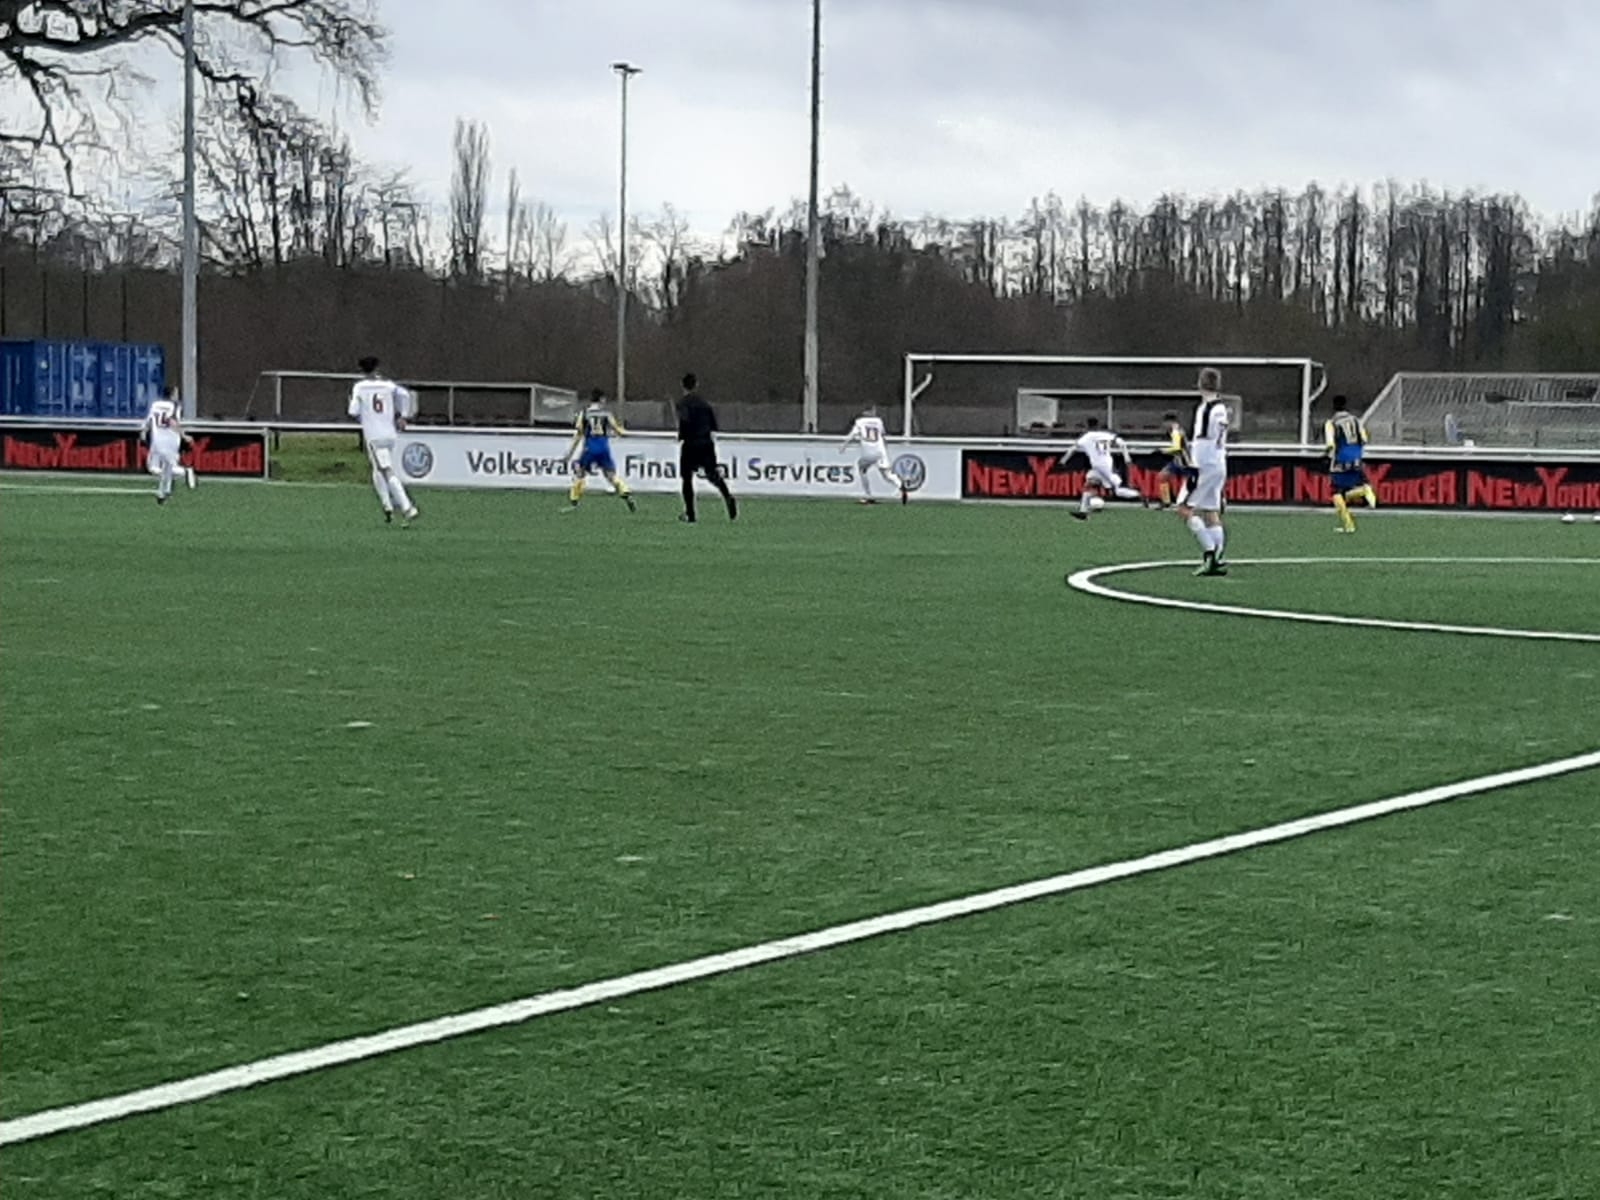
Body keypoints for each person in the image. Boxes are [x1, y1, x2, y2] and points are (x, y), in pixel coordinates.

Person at [348, 356, 420, 525]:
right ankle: (387, 506)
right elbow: (405, 395)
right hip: (389, 433)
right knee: (377, 469)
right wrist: (403, 416)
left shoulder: (360, 387)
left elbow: (353, 411)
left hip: (374, 436)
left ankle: (407, 507)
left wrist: (357, 407)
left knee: (386, 471)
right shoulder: (388, 385)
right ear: (377, 368)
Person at [1185, 367, 1230, 575]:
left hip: (1205, 464)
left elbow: (1204, 440)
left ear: (1200, 384)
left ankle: (1211, 554)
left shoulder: (1207, 409)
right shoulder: (1221, 407)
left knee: (1184, 508)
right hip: (1218, 462)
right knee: (1211, 511)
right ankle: (1218, 557)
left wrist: (1193, 466)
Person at [562, 387, 636, 513]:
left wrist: (569, 454)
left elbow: (579, 434)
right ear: (601, 399)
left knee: (580, 473)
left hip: (590, 448)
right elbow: (619, 431)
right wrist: (626, 433)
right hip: (603, 448)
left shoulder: (584, 414)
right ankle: (625, 492)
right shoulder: (606, 414)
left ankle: (574, 503)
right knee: (611, 476)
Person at [675, 373, 737, 523]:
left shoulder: (682, 403)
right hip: (706, 443)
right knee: (712, 474)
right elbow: (713, 425)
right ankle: (727, 496)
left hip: (690, 444)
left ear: (683, 386)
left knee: (687, 479)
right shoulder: (705, 404)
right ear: (696, 385)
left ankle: (691, 513)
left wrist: (681, 436)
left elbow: (684, 422)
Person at [1060, 416, 1148, 520]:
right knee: (1089, 484)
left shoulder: (1087, 437)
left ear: (1087, 426)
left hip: (1101, 466)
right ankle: (1083, 512)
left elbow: (1072, 449)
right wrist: (1126, 457)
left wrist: (1063, 461)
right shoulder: (1105, 435)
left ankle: (1139, 495)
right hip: (1105, 464)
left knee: (1117, 490)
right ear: (1097, 425)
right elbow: (1121, 442)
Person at [1324, 395, 1378, 533]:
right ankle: (1364, 491)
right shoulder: (1355, 420)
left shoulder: (1331, 423)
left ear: (1333, 407)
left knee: (1336, 493)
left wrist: (1325, 455)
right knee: (1344, 493)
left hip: (1340, 460)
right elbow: (1364, 439)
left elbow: (1330, 444)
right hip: (1356, 458)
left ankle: (1349, 525)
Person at [840, 405, 907, 504]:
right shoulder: (878, 421)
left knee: (861, 469)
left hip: (868, 451)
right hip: (880, 451)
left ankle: (868, 495)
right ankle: (900, 485)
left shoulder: (860, 422)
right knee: (887, 475)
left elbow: (852, 435)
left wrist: (843, 446)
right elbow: (882, 435)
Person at [141, 384, 196, 504]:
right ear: (172, 395)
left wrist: (144, 431)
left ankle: (164, 492)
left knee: (157, 468)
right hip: (171, 440)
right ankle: (168, 489)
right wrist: (184, 435)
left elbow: (150, 419)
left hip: (158, 439)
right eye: (176, 393)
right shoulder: (175, 406)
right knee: (166, 467)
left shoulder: (155, 405)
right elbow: (172, 421)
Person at [1155, 411, 1194, 509]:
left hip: (1185, 461)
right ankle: (1166, 501)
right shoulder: (1174, 430)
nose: (1163, 425)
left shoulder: (1176, 431)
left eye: (1164, 422)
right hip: (1177, 460)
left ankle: (1187, 502)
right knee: (1162, 476)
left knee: (1189, 484)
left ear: (1169, 421)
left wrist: (1163, 451)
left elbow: (1177, 448)